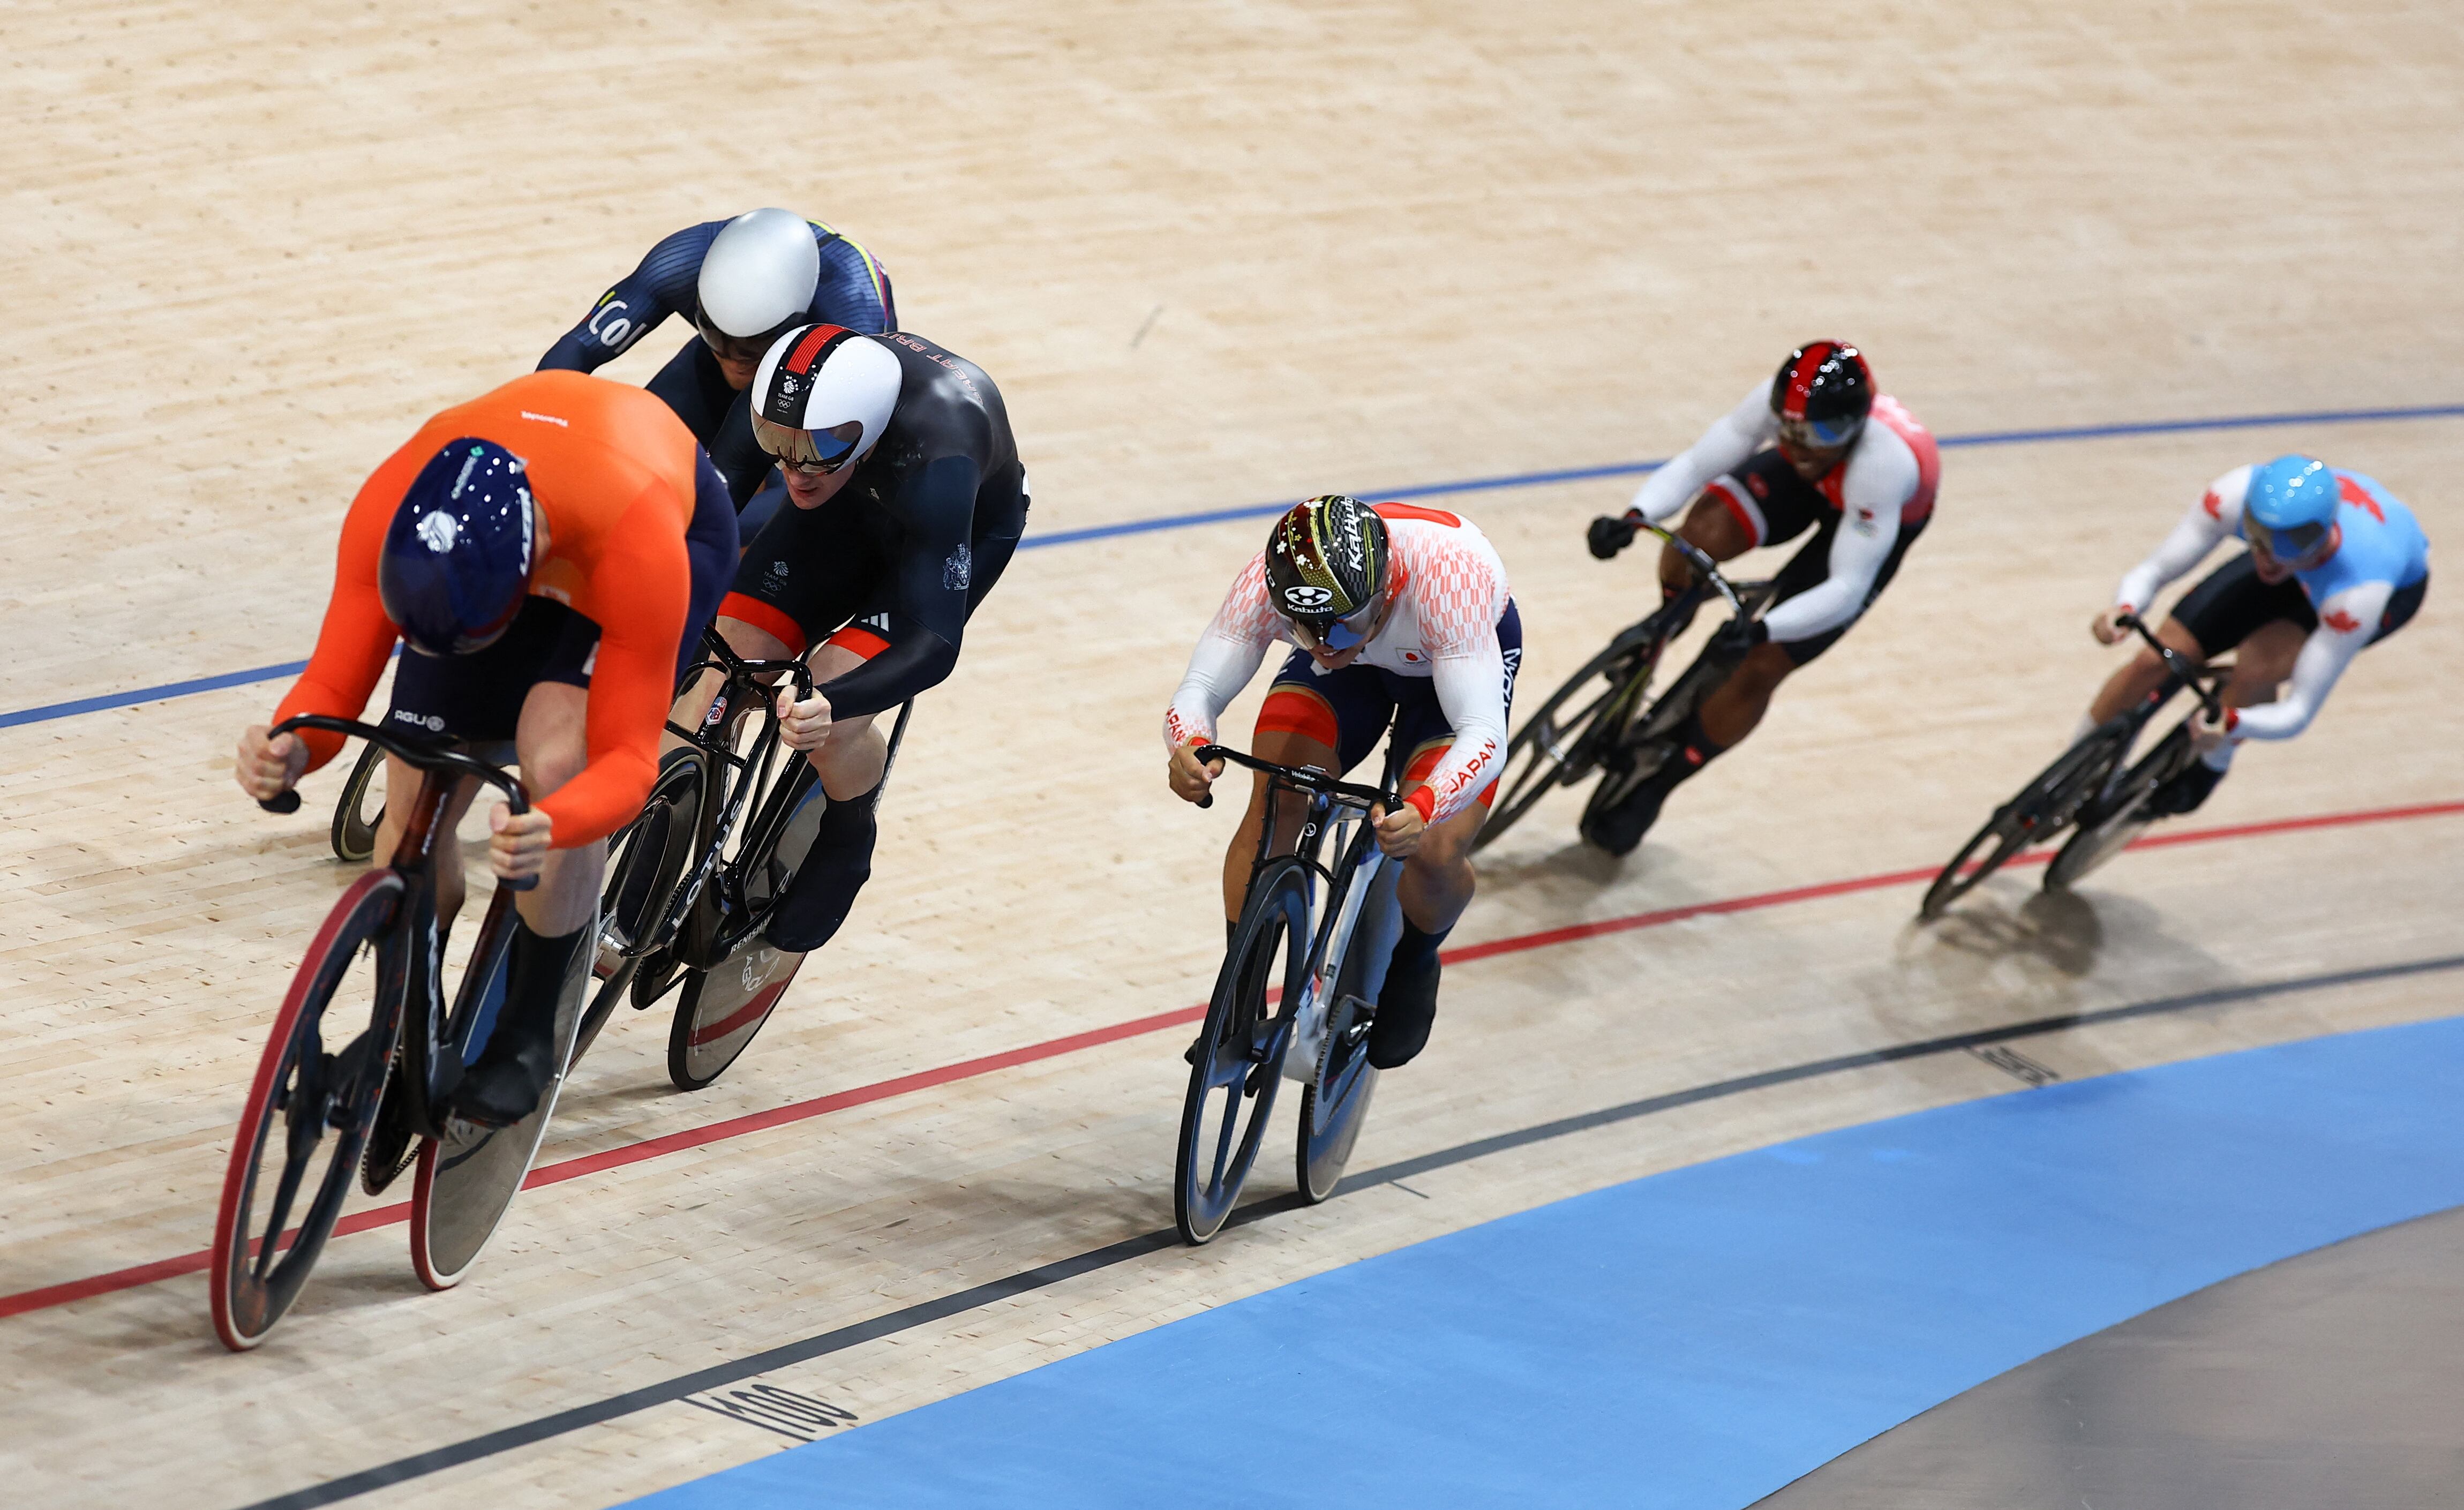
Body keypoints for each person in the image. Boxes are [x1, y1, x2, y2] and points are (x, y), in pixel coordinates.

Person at [234, 370, 734, 1127]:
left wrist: (555, 821)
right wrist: (289, 751)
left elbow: (626, 763)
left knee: (557, 754)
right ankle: (407, 1024)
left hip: (645, 524)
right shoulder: (392, 503)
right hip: (511, 547)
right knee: (413, 781)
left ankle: (530, 1031)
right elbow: (331, 687)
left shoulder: (636, 544)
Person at [673, 322, 1029, 968]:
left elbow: (932, 642)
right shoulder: (788, 407)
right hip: (843, 513)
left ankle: (847, 832)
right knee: (714, 678)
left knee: (826, 716)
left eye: (818, 450)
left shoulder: (943, 452)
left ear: (863, 429)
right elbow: (707, 508)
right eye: (779, 447)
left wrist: (831, 701)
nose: (793, 470)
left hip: (949, 533)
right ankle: (663, 845)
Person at [1163, 494, 1522, 1070]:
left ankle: (1416, 959)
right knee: (1279, 798)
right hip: (1355, 678)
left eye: (1341, 623)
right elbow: (1199, 688)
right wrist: (1190, 746)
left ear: (1384, 592)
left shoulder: (1449, 579)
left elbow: (1482, 733)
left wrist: (1425, 805)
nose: (1323, 644)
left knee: (1433, 848)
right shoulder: (1270, 583)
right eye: (1303, 628)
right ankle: (1241, 986)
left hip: (1447, 669)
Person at [1581, 341, 1938, 854]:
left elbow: (1846, 587)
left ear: (1856, 424)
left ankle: (1658, 784)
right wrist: (1635, 515)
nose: (1805, 446)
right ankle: (1663, 627)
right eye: (1791, 431)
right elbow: (1696, 464)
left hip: (1869, 519)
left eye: (1824, 433)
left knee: (1760, 664)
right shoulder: (1790, 421)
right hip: (1810, 488)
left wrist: (1763, 629)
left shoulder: (1883, 465)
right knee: (1699, 534)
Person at [2082, 454, 2429, 813]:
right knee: (2158, 657)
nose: (2266, 560)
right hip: (2307, 561)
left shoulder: (2359, 593)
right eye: (2259, 540)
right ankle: (2078, 769)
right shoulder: (2236, 498)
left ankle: (2212, 766)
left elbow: (2298, 711)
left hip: (2370, 585)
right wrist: (2123, 608)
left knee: (2258, 664)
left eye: (2279, 547)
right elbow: (2153, 570)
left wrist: (2234, 723)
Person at [539, 208, 896, 515]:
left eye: (748, 352)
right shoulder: (680, 263)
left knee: (790, 500)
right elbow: (575, 353)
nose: (734, 365)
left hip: (807, 385)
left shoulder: (850, 309)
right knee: (631, 458)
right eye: (720, 343)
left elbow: (788, 497)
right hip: (739, 363)